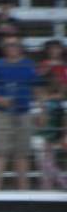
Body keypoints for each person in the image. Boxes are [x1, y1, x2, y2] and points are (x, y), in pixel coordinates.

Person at [0, 35, 38, 190]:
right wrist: (0, 100)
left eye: (15, 44)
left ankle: (24, 192)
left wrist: (42, 110)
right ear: (4, 48)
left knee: (22, 153)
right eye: (8, 45)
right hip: (1, 113)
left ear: (20, 47)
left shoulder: (29, 65)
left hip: (24, 113)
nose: (11, 47)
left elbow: (37, 89)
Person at [37, 39, 67, 190]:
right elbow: (39, 85)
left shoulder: (64, 66)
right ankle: (48, 184)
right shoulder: (44, 65)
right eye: (51, 48)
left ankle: (59, 180)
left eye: (57, 48)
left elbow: (63, 90)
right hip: (49, 110)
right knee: (47, 150)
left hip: (61, 109)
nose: (55, 51)